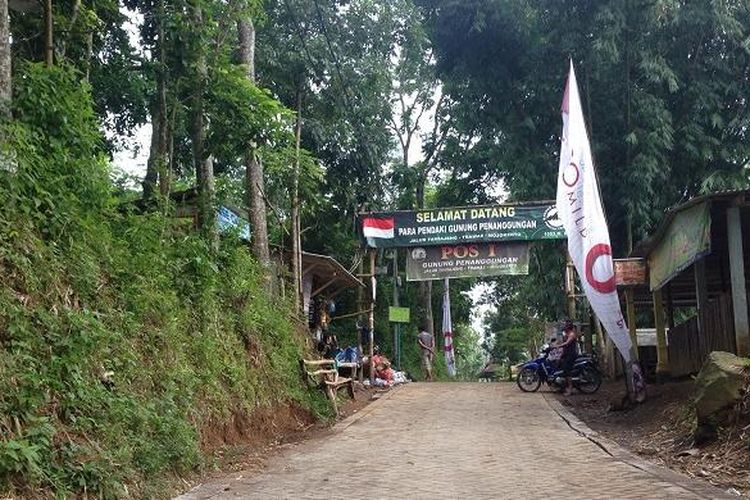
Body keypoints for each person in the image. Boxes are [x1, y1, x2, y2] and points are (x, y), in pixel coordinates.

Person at [557, 321, 579, 396]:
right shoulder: (566, 334)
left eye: (565, 326)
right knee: (560, 366)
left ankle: (570, 388)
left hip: (571, 355)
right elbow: (565, 346)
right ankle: (563, 386)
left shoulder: (571, 334)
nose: (564, 327)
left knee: (567, 370)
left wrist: (558, 346)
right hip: (566, 354)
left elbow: (567, 343)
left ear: (568, 327)